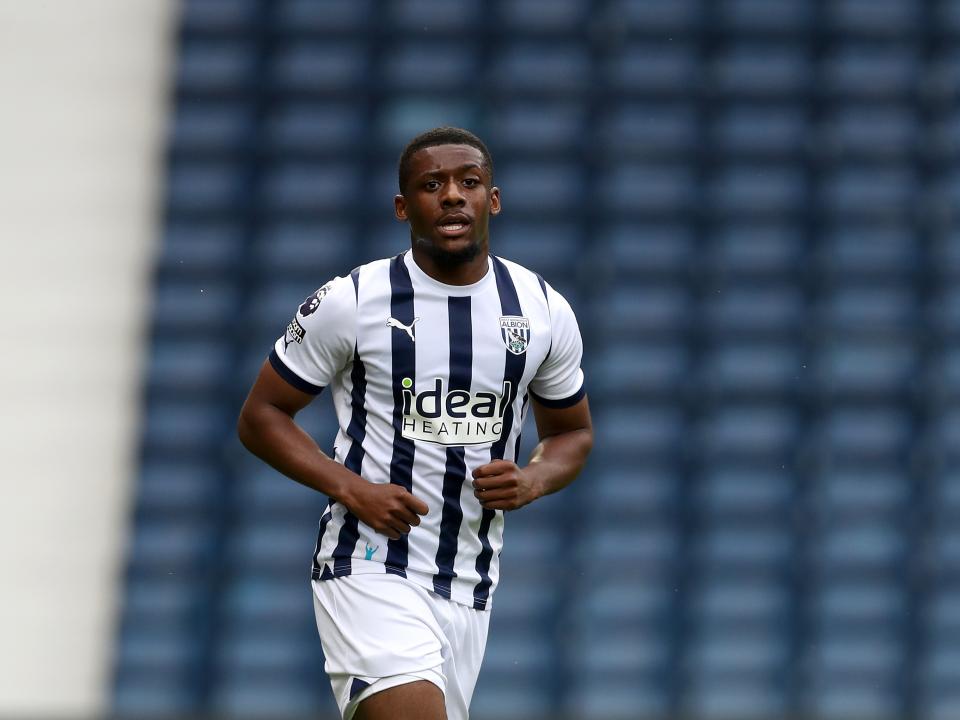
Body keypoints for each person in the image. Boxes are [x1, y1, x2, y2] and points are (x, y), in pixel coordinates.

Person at [237, 127, 593, 720]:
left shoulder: (541, 309)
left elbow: (572, 433)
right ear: (403, 207)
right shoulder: (354, 299)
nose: (452, 195)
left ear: (492, 200)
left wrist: (533, 480)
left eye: (468, 182)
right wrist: (353, 489)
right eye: (432, 185)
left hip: (469, 581)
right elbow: (261, 416)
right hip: (368, 562)